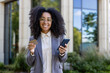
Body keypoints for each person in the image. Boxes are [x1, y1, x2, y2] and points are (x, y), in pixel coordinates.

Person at [26, 6, 68, 73]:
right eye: (42, 19)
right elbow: (29, 63)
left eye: (48, 19)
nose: (45, 22)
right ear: (38, 21)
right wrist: (32, 52)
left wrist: (62, 53)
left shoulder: (59, 37)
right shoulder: (34, 38)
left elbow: (63, 60)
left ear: (52, 22)